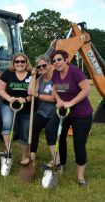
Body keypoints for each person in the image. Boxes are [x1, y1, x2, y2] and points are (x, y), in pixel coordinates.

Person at [50, 49, 93, 186]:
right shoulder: (55, 73)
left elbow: (87, 89)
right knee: (59, 138)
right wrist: (58, 100)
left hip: (81, 114)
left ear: (66, 60)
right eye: (54, 61)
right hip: (65, 113)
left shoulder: (75, 72)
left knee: (78, 144)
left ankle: (80, 177)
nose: (56, 63)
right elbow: (54, 89)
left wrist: (70, 102)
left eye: (59, 59)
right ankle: (61, 165)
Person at [0, 52, 32, 165]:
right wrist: (9, 98)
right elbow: (0, 89)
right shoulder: (8, 73)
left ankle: (24, 157)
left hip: (25, 107)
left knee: (24, 131)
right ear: (13, 63)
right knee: (7, 124)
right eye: (17, 61)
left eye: (22, 61)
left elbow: (34, 93)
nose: (20, 63)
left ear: (26, 63)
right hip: (9, 104)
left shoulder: (32, 74)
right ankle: (8, 151)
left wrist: (26, 99)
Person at [27, 55, 59, 169]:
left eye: (44, 65)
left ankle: (57, 161)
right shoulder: (39, 79)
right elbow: (30, 92)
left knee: (50, 132)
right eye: (39, 66)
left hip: (55, 112)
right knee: (33, 127)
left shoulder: (56, 78)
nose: (41, 68)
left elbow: (54, 98)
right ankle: (32, 157)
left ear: (50, 65)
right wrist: (33, 75)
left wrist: (39, 95)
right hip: (42, 112)